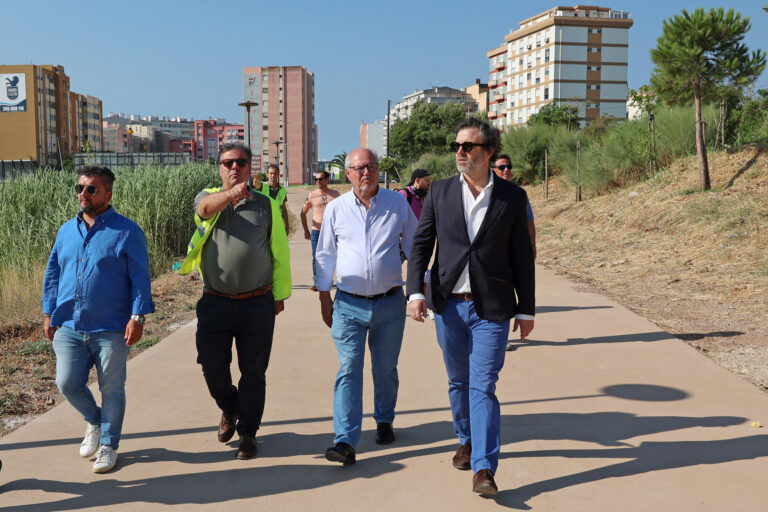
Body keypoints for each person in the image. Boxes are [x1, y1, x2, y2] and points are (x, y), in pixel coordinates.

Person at [406, 118, 535, 495]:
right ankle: (465, 438)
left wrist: (525, 310)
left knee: (482, 385)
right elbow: (420, 246)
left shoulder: (513, 197)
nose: (460, 151)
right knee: (458, 381)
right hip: (448, 305)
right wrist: (415, 293)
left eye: (468, 146)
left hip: (491, 308)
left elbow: (522, 257)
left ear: (488, 151)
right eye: (457, 146)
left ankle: (484, 467)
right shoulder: (440, 192)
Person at [180, 142, 291, 460]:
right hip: (215, 303)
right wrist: (231, 195)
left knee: (254, 371)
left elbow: (279, 251)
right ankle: (229, 407)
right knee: (212, 366)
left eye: (241, 163)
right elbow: (203, 211)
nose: (234, 168)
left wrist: (279, 295)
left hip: (257, 303)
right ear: (220, 168)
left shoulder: (266, 205)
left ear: (249, 167)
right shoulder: (208, 198)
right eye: (228, 162)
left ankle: (249, 434)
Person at [42, 165, 155, 474]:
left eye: (91, 189)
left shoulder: (127, 231)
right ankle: (94, 420)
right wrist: (48, 310)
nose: (83, 194)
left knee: (112, 389)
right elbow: (53, 272)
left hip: (112, 327)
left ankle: (109, 444)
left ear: (108, 193)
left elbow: (141, 278)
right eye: (80, 187)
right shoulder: (66, 230)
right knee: (66, 383)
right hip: (69, 325)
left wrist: (138, 316)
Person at [316, 148, 417, 465]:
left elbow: (416, 247)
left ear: (378, 170)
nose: (365, 173)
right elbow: (325, 256)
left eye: (371, 167)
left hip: (389, 304)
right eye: (358, 168)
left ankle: (384, 419)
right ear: (347, 173)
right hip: (347, 304)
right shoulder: (336, 209)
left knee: (385, 369)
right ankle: (344, 440)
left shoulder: (397, 204)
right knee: (348, 370)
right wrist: (323, 296)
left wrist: (419, 292)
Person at [300, 170, 340, 291]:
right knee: (316, 257)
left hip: (331, 231)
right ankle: (318, 282)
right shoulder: (311, 195)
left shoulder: (335, 195)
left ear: (327, 180)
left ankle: (328, 280)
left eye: (320, 179)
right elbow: (303, 213)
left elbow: (342, 212)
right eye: (316, 179)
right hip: (316, 231)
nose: (318, 181)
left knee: (330, 256)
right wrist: (306, 230)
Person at [492, 154, 537, 259]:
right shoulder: (486, 194)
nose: (506, 170)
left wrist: (533, 246)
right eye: (502, 167)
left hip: (515, 249)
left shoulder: (520, 194)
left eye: (509, 167)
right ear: (492, 170)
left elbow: (529, 221)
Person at [258, 163, 290, 236]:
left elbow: (284, 209)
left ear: (278, 175)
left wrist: (287, 226)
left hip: (277, 223)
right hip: (264, 223)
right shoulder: (263, 186)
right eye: (271, 173)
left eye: (275, 173)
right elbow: (256, 185)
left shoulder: (282, 190)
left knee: (276, 246)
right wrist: (256, 180)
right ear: (267, 174)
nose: (273, 175)